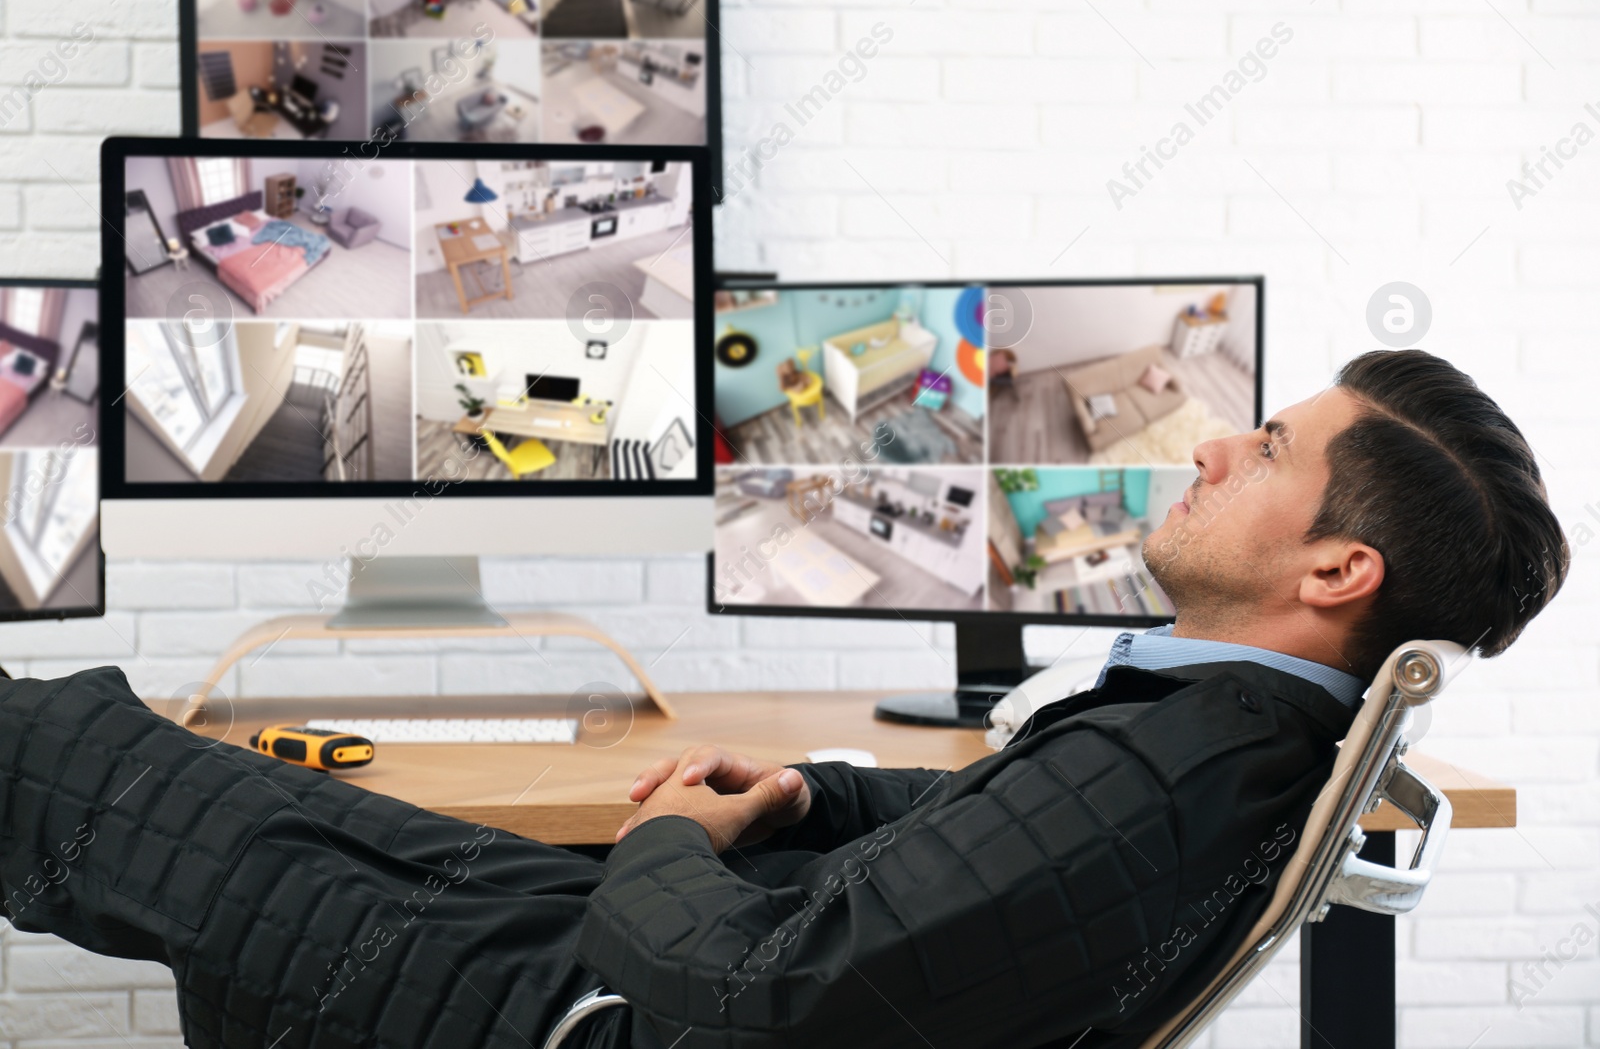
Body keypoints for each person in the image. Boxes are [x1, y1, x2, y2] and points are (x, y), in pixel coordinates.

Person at [0, 350, 1566, 1049]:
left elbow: (769, 987)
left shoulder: (1173, 768)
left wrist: (672, 837)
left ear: (1339, 570)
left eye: (1272, 450)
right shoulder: (1219, 736)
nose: (1218, 444)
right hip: (602, 968)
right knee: (156, 771)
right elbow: (997, 841)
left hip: (597, 1009)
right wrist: (817, 795)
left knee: (60, 762)